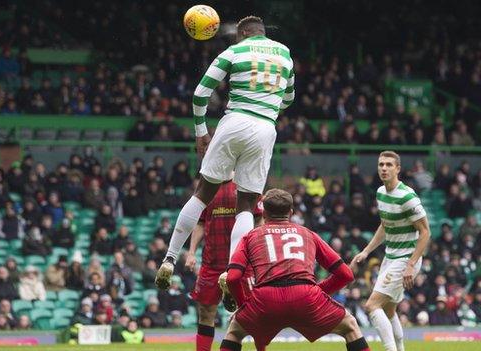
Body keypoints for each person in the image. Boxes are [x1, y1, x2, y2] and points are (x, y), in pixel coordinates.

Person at [156, 15, 295, 290]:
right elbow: (288, 99)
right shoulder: (285, 54)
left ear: (243, 33)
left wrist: (200, 132)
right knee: (246, 205)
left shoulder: (234, 51)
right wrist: (266, 108)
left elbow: (199, 94)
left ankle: (169, 258)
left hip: (234, 122)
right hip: (265, 127)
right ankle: (232, 272)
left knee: (202, 193)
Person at [221, 189, 370, 351]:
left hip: (265, 299)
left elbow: (233, 278)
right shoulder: (308, 234)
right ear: (291, 212)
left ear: (264, 213)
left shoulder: (250, 236)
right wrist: (318, 291)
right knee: (350, 327)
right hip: (306, 296)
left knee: (235, 332)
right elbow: (346, 275)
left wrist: (244, 305)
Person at [351, 151, 430, 351]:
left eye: (388, 165)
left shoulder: (407, 196)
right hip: (390, 256)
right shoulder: (380, 193)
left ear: (398, 169)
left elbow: (425, 232)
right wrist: (366, 251)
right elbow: (385, 225)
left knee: (371, 306)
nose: (384, 168)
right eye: (381, 164)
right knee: (388, 310)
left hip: (406, 259)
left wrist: (411, 265)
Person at [184, 181, 263, 351]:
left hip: (242, 263)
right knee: (205, 313)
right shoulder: (206, 185)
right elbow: (200, 222)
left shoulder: (246, 183)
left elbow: (259, 220)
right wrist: (191, 252)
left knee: (252, 312)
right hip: (212, 263)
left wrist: (256, 251)